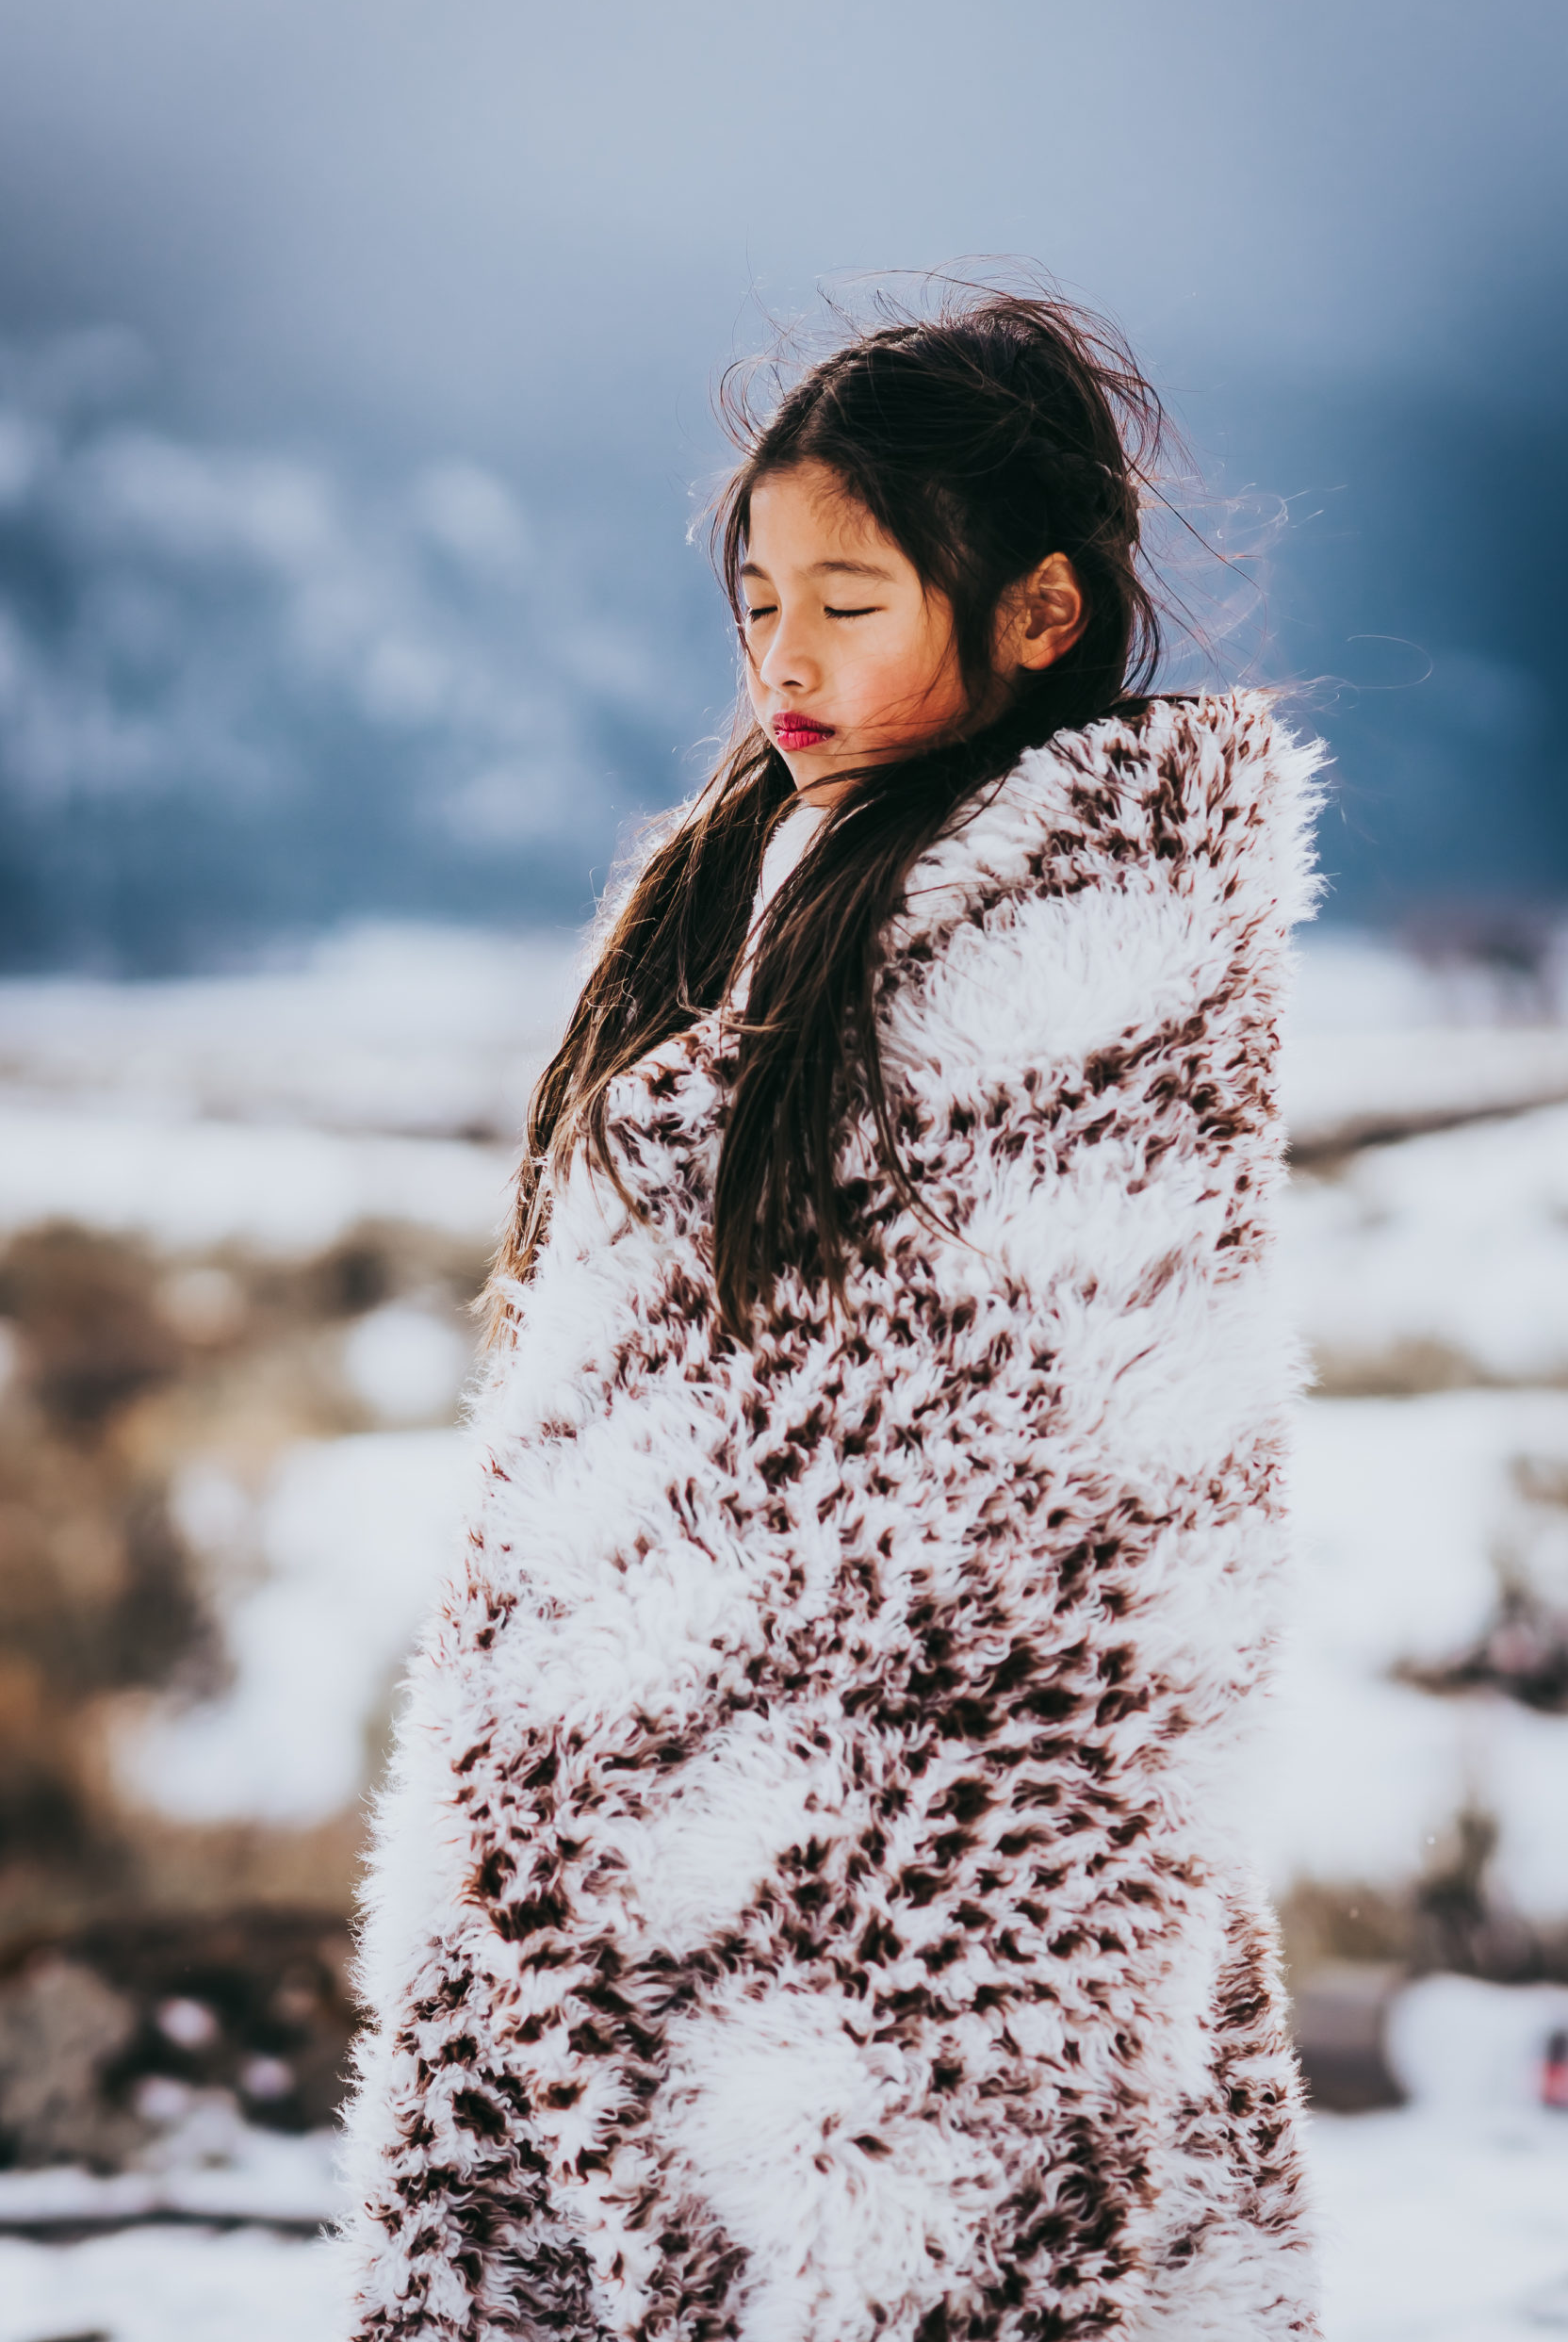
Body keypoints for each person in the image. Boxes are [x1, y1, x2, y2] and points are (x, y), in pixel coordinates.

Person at [340, 283, 1322, 2339]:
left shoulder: (1094, 979)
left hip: (908, 1926)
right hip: (609, 1880)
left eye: (848, 601)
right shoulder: (738, 895)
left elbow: (1068, 1545)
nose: (782, 655)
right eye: (754, 600)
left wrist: (866, 1966)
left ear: (1036, 612)